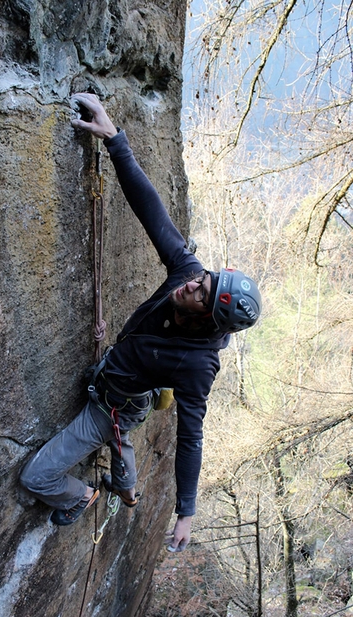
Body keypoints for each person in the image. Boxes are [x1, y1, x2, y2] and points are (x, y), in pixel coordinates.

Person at [20, 93, 262, 552]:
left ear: (209, 320)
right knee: (121, 437)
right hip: (123, 384)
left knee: (39, 474)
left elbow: (191, 438)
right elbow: (150, 210)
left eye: (201, 294)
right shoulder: (189, 273)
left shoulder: (197, 365)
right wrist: (115, 139)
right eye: (203, 280)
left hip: (113, 402)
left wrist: (186, 510)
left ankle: (84, 495)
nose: (192, 285)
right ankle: (126, 486)